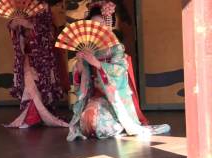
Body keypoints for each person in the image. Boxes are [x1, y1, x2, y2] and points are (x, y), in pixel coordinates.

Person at [67, 4, 170, 141]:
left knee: (100, 126)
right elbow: (82, 77)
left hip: (115, 96)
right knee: (88, 120)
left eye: (101, 24)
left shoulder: (116, 48)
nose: (98, 28)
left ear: (108, 25)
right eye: (94, 24)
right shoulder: (88, 48)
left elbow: (120, 70)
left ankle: (120, 123)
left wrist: (97, 63)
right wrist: (80, 63)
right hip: (97, 96)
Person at [4, 2, 68, 128]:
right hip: (27, 56)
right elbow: (11, 25)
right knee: (29, 85)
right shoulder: (22, 7)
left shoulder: (44, 7)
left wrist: (29, 25)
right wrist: (14, 24)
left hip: (42, 57)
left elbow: (48, 31)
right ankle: (31, 117)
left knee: (39, 86)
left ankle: (36, 117)